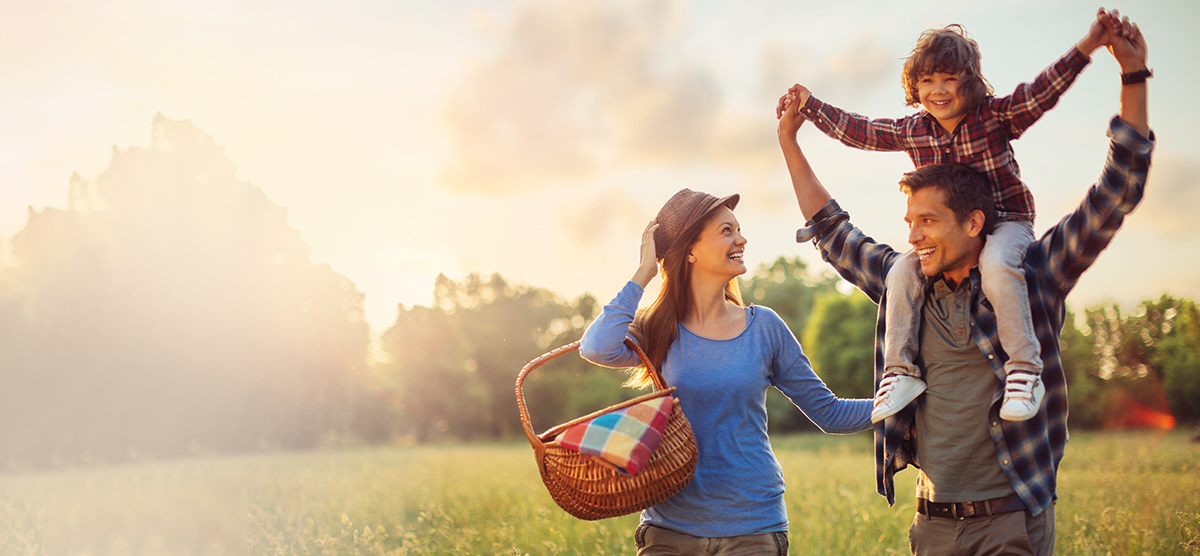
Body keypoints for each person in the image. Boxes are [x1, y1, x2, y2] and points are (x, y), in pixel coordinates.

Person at [776, 9, 1150, 556]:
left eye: (927, 223)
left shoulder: (1033, 276)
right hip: (931, 524)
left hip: (1011, 519)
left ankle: (1026, 374)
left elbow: (1117, 188)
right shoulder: (905, 282)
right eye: (909, 223)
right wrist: (792, 138)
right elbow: (834, 232)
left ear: (974, 222)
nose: (914, 237)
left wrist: (1132, 76)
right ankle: (899, 375)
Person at [775, 9, 1119, 424]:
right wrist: (810, 107)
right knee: (901, 273)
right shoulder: (914, 130)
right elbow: (861, 130)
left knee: (995, 266)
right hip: (949, 241)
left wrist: (1087, 47)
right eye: (927, 81)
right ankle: (901, 372)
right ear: (915, 87)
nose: (938, 91)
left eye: (949, 79)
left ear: (969, 82)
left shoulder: (993, 116)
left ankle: (1025, 368)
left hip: (1005, 223)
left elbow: (1040, 92)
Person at [579, 188, 872, 555]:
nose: (741, 239)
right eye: (726, 231)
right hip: (668, 529)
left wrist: (898, 401)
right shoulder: (657, 329)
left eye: (739, 229)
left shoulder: (764, 327)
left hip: (752, 529)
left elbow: (829, 413)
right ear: (690, 250)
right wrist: (643, 273)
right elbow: (595, 347)